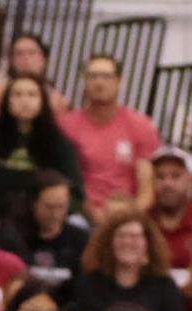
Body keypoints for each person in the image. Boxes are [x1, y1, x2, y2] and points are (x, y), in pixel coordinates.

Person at [0, 73, 83, 224]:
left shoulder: (59, 144)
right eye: (17, 95)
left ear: (42, 102)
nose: (24, 100)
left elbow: (76, 194)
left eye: (32, 95)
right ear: (7, 102)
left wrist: (53, 211)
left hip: (42, 219)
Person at [59, 53, 159, 224]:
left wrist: (126, 216)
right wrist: (92, 214)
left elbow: (147, 190)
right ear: (84, 82)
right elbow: (65, 179)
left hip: (128, 213)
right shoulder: (66, 125)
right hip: (80, 213)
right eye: (92, 76)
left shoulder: (140, 125)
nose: (99, 82)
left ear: (119, 82)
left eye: (106, 76)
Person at [0, 32, 69, 135]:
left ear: (44, 59)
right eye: (19, 54)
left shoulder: (56, 100)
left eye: (31, 53)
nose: (25, 58)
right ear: (11, 61)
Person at [19, 169, 86, 291]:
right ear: (34, 203)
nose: (55, 214)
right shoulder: (15, 236)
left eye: (61, 206)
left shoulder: (80, 239)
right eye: (49, 207)